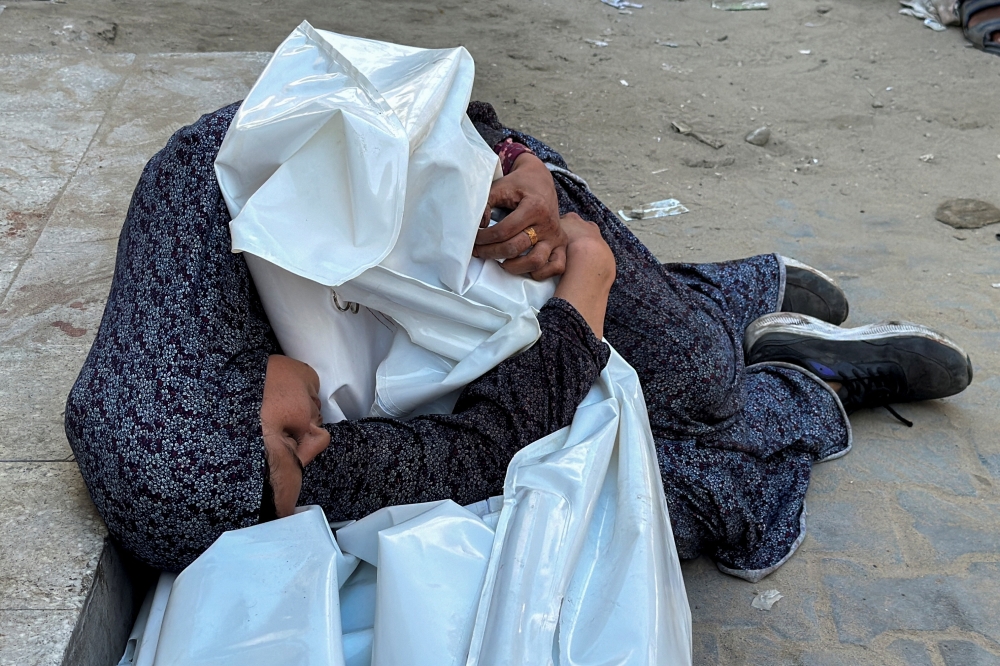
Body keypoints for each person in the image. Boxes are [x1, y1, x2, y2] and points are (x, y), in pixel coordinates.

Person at [65, 100, 972, 582]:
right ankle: (801, 384)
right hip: (465, 366)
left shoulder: (202, 183)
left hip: (489, 249)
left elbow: (396, 103)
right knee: (626, 494)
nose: (319, 443)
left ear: (222, 376)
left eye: (291, 441)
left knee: (699, 382)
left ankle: (718, 303)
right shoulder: (251, 474)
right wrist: (588, 296)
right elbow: (487, 448)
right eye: (303, 472)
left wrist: (513, 168)